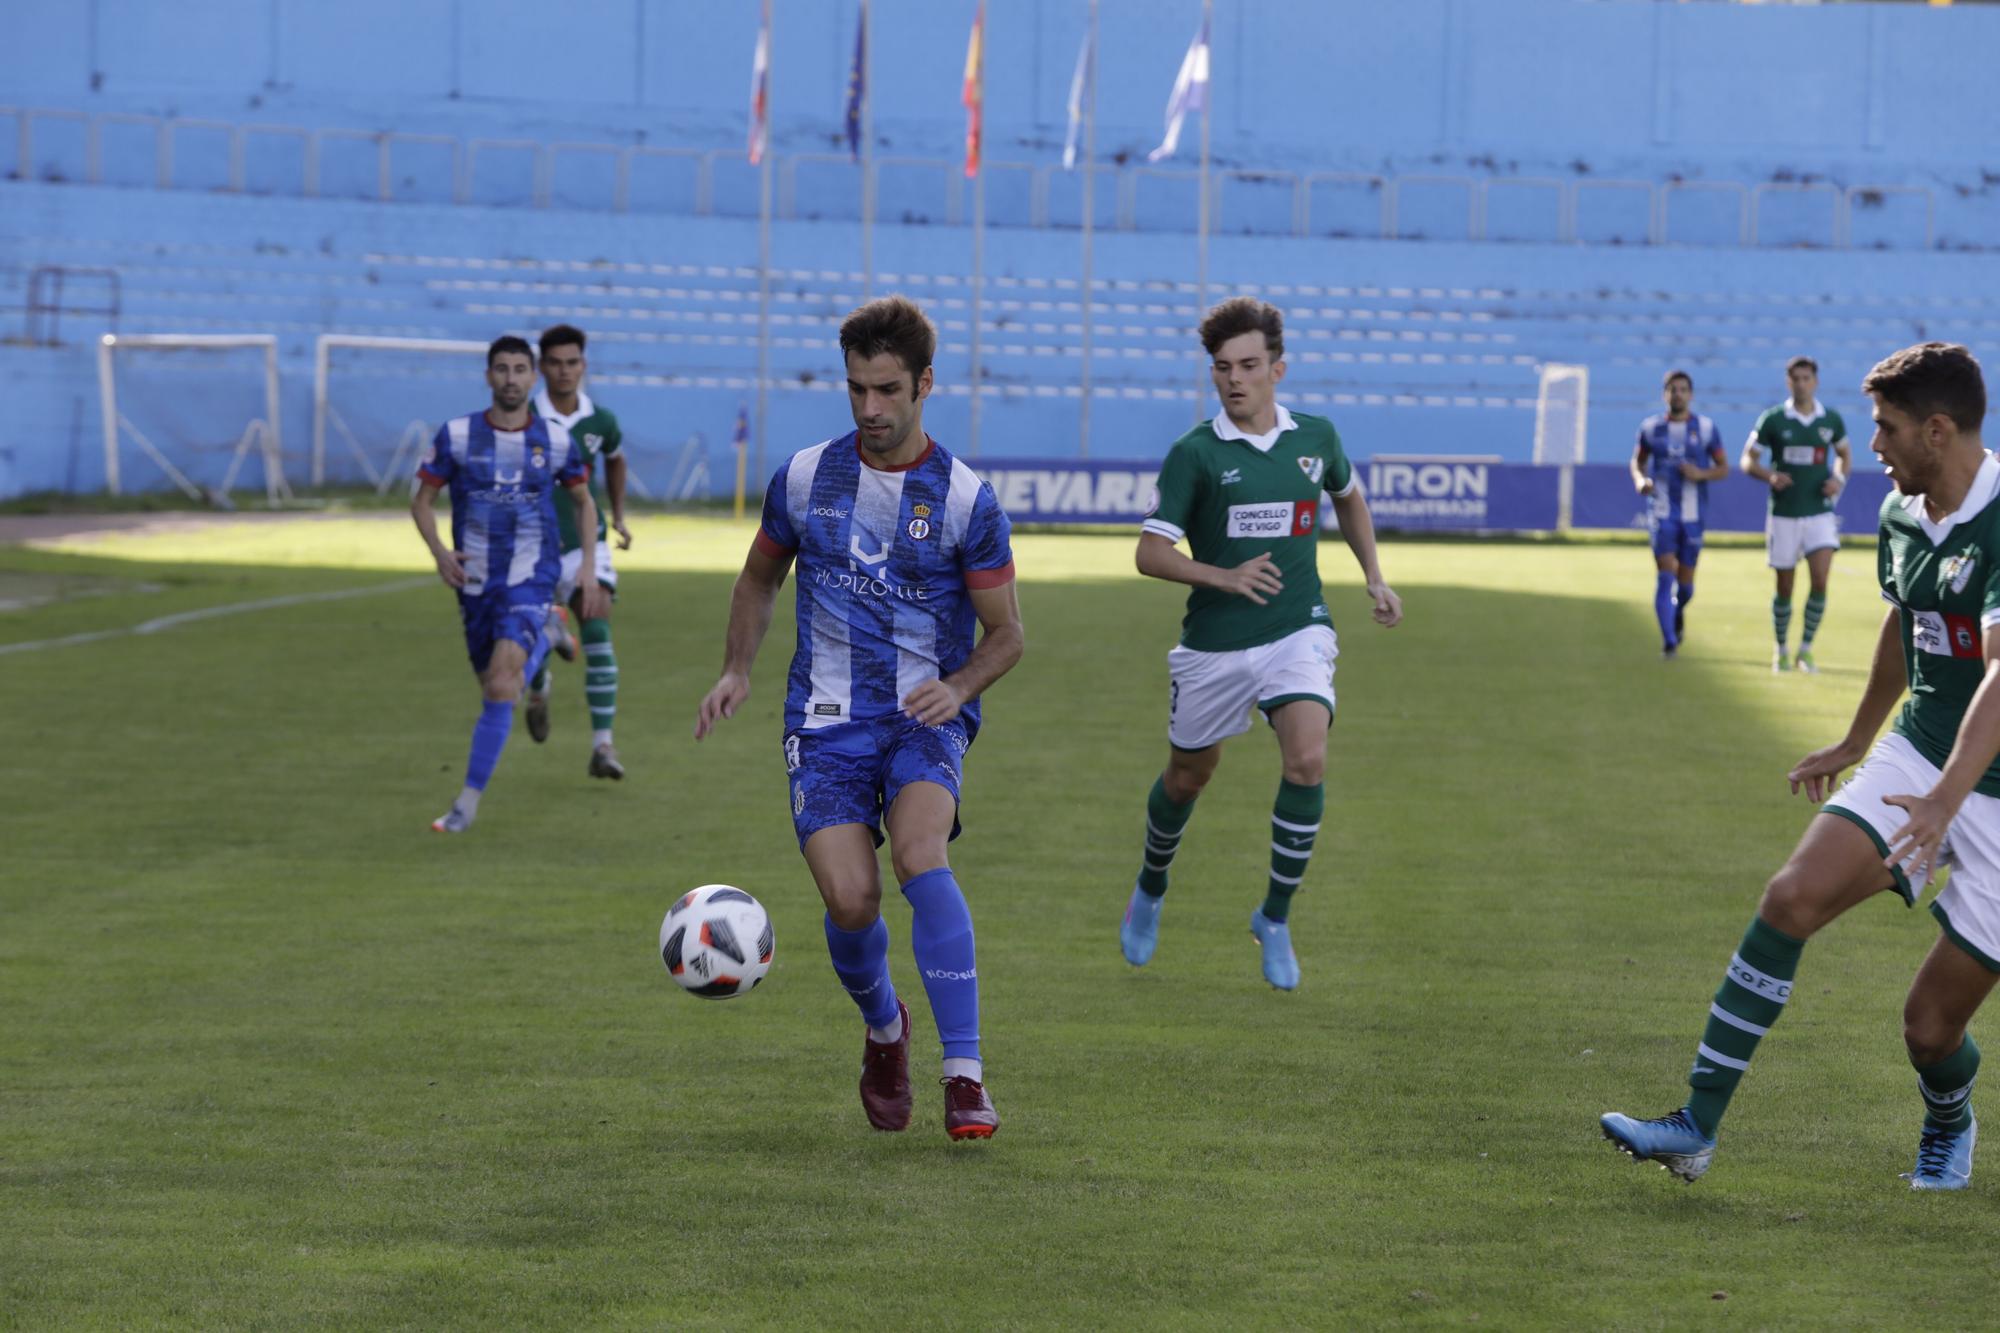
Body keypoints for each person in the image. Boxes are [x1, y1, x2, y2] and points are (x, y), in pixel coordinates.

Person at [1602, 342, 2000, 1191]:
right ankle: (1695, 1126)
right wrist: (1861, 739)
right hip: (1921, 748)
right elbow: (1908, 629)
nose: (1875, 446)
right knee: (1789, 899)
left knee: (1928, 1029)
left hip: (1984, 785)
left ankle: (1949, 1115)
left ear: (1938, 429)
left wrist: (1943, 802)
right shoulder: (1901, 514)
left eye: (1889, 430)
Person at [693, 295, 1024, 1141]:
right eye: (855, 390)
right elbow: (760, 578)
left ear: (923, 386)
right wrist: (737, 668)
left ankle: (965, 1074)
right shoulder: (805, 478)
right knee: (850, 899)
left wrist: (959, 688)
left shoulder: (964, 499)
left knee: (920, 852)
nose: (870, 409)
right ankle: (885, 1030)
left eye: (886, 390)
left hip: (924, 716)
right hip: (826, 718)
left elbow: (1007, 634)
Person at [1119, 297, 1402, 991]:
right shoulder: (1196, 454)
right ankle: (1151, 886)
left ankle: (1274, 915)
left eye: (1248, 365)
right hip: (1214, 645)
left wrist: (1374, 576)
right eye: (1222, 367)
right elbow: (1149, 552)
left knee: (1307, 757)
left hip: (1297, 626)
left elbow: (1349, 496)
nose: (1234, 379)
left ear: (1278, 367)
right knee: (1188, 778)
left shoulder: (1317, 437)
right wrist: (1222, 574)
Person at [411, 335, 605, 834]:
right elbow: (423, 501)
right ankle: (551, 634)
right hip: (474, 579)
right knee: (498, 686)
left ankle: (465, 805)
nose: (512, 378)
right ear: (488, 376)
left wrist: (585, 567)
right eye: (503, 369)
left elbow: (584, 502)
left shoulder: (555, 440)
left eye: (521, 369)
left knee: (501, 685)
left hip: (530, 575)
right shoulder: (456, 436)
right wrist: (438, 553)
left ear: (532, 377)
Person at [526, 323, 631, 779]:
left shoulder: (600, 421)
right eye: (555, 362)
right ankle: (539, 684)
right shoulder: (523, 417)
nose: (564, 371)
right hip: (530, 547)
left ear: (583, 366)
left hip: (587, 541)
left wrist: (620, 516)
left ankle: (603, 746)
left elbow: (616, 459)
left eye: (572, 362)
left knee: (597, 618)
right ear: (541, 367)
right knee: (528, 630)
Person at [1741, 356, 1853, 674]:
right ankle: (1781, 649)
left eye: (1807, 378)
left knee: (1820, 579)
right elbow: (1748, 460)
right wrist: (1769, 476)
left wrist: (1838, 480)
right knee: (1785, 588)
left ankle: (1806, 649)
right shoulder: (1773, 419)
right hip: (1784, 514)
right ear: (1788, 382)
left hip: (1819, 513)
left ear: (1815, 382)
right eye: (1796, 379)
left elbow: (1845, 456)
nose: (1801, 383)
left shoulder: (1830, 419)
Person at [1630, 370, 1729, 659]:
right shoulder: (1650, 428)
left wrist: (1701, 473)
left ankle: (1678, 609)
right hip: (1662, 513)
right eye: (1673, 389)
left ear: (1691, 394)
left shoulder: (1707, 429)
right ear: (1665, 394)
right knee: (1664, 575)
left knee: (1686, 586)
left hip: (1693, 515)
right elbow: (1637, 462)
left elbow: (1723, 468)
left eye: (1683, 389)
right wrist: (1640, 481)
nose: (1678, 394)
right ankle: (1669, 642)